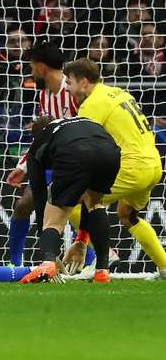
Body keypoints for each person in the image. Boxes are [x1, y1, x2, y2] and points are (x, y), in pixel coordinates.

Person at [63, 58, 166, 280]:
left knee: (73, 200)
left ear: (83, 82)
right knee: (127, 215)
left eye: (69, 82)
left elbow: (85, 147)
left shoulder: (91, 104)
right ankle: (165, 266)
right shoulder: (119, 93)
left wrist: (81, 239)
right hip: (154, 164)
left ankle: (102, 255)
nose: (68, 88)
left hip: (132, 166)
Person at [18, 116, 119, 285]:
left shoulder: (38, 145)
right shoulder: (82, 121)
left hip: (74, 152)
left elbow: (39, 195)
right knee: (94, 202)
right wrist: (81, 241)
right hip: (110, 152)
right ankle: (102, 271)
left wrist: (48, 252)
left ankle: (48, 265)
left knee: (54, 218)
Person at [3, 42, 78, 268]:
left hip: (76, 161)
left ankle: (93, 260)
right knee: (23, 205)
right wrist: (23, 167)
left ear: (42, 68)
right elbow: (43, 136)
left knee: (75, 213)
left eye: (32, 66)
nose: (31, 72)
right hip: (51, 160)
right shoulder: (45, 94)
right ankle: (15, 264)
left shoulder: (74, 91)